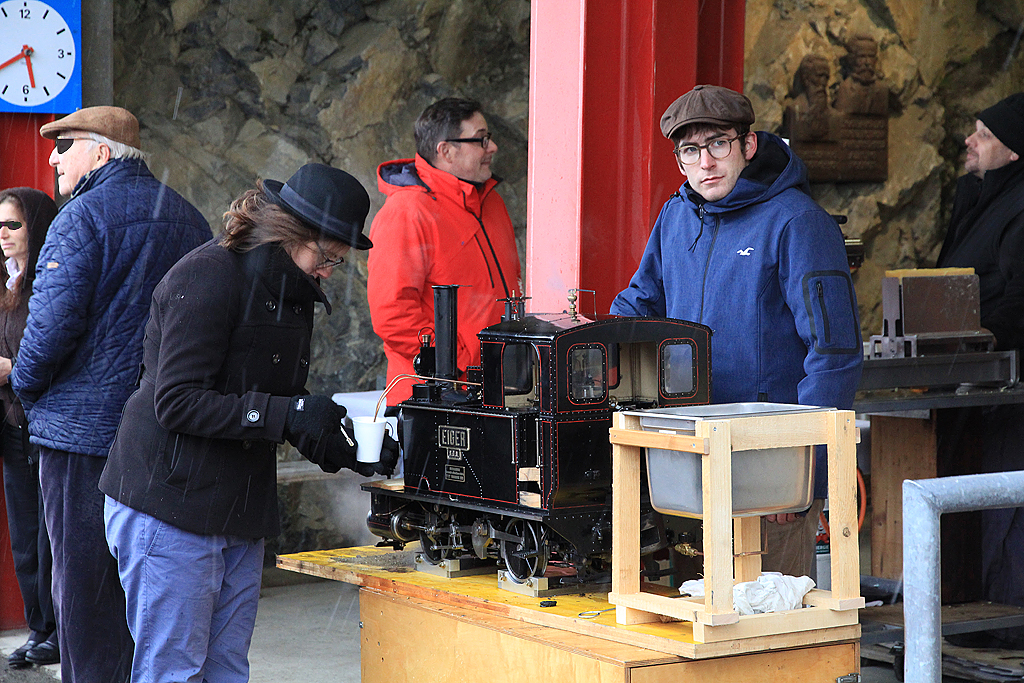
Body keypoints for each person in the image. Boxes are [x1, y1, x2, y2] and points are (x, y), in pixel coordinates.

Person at [100, 163, 398, 683]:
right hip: (169, 504)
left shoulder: (292, 292)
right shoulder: (209, 274)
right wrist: (290, 412)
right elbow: (178, 401)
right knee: (174, 671)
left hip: (236, 507)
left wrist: (339, 447)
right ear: (291, 234)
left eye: (339, 261)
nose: (330, 270)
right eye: (326, 256)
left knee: (226, 670)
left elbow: (274, 396)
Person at [610, 84, 863, 578]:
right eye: (690, 150)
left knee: (769, 622)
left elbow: (834, 353)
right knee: (699, 622)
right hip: (689, 459)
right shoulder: (676, 216)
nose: (705, 162)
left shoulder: (798, 223)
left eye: (718, 144)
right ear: (679, 160)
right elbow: (639, 304)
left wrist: (800, 471)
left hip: (767, 468)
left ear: (748, 146)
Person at [9, 106, 212, 683]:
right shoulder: (188, 219)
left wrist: (23, 383)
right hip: (164, 433)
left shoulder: (80, 219)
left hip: (82, 440)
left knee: (84, 595)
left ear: (101, 152)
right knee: (152, 595)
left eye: (64, 144)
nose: (52, 157)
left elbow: (46, 336)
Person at [935, 92, 1024, 646]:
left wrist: (978, 333)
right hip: (965, 383)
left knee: (1001, 518)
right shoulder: (977, 196)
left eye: (984, 133)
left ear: (1014, 152)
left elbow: (1016, 301)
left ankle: (1005, 627)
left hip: (1004, 396)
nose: (970, 141)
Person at [367, 97, 521, 406]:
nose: (492, 148)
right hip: (434, 400)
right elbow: (393, 315)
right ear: (446, 151)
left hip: (497, 390)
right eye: (481, 139)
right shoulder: (407, 212)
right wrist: (457, 363)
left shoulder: (492, 202)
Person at [0, 188, 58, 669]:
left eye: (13, 225)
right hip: (12, 427)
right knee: (24, 537)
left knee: (52, 536)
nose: (2, 234)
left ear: (35, 228)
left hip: (47, 425)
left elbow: (56, 357)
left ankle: (58, 629)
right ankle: (40, 628)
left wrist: (10, 369)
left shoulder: (49, 283)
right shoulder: (6, 282)